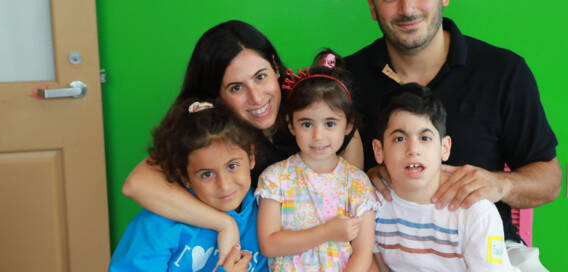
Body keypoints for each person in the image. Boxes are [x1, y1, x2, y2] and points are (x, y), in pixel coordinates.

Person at [121, 20, 364, 265]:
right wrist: (224, 223)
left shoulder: (311, 109)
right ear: (215, 95)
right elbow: (136, 184)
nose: (256, 97)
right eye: (236, 87)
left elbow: (351, 195)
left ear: (275, 67)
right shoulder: (210, 133)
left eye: (260, 77)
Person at [345, 1, 561, 270]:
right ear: (372, 5)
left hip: (492, 249)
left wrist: (500, 185)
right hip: (387, 252)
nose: (406, 8)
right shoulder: (344, 81)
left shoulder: (503, 71)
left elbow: (550, 181)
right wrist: (361, 179)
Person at [370, 83, 519, 271]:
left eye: (425, 138)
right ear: (379, 150)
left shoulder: (475, 211)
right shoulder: (370, 203)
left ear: (445, 148)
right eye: (400, 139)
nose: (413, 150)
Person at [255, 51, 379, 271]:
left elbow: (362, 252)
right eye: (306, 124)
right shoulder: (275, 179)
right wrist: (327, 232)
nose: (318, 136)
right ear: (291, 125)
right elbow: (269, 244)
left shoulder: (357, 183)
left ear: (348, 125)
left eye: (330, 124)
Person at [110, 100, 267, 272]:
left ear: (251, 158)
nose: (224, 185)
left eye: (232, 166)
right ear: (184, 177)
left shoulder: (267, 212)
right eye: (207, 174)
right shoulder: (158, 225)